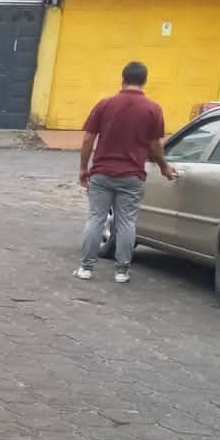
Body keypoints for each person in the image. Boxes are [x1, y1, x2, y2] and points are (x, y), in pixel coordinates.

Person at [78, 62, 178, 283]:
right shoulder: (153, 109)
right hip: (132, 175)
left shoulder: (105, 104)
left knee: (96, 218)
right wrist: (164, 166)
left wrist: (84, 168)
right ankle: (122, 271)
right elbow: (154, 145)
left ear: (122, 78)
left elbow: (88, 139)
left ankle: (86, 268)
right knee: (126, 222)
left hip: (102, 172)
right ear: (144, 81)